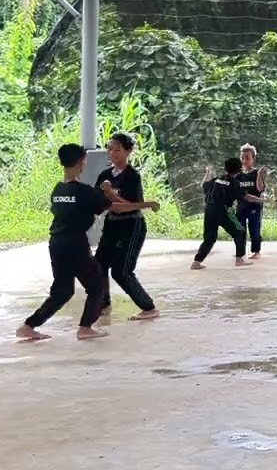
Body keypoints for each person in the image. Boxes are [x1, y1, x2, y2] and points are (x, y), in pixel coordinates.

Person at [16, 143, 159, 342]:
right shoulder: (83, 191)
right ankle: (85, 327)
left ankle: (29, 326)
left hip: (56, 243)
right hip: (75, 244)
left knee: (63, 290)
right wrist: (147, 204)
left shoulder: (58, 190)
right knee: (97, 284)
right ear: (81, 162)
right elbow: (115, 208)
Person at [93, 132, 159, 321]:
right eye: (110, 149)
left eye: (117, 150)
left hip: (132, 225)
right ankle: (103, 304)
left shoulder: (132, 176)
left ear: (128, 151)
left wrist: (109, 194)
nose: (112, 153)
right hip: (111, 224)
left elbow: (126, 207)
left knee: (121, 271)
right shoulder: (105, 175)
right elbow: (100, 203)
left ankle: (148, 308)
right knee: (99, 265)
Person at [191, 158, 252, 269]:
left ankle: (196, 262)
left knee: (210, 238)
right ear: (239, 169)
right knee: (239, 231)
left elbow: (203, 185)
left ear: (225, 168)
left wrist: (208, 173)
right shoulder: (235, 183)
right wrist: (261, 200)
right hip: (224, 210)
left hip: (209, 210)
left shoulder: (217, 179)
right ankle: (239, 259)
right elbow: (246, 196)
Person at [236, 143, 268, 260]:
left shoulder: (256, 173)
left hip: (254, 206)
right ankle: (241, 251)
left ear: (253, 159)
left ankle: (256, 251)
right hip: (241, 206)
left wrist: (259, 175)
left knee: (254, 228)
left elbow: (260, 189)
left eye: (247, 158)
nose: (244, 160)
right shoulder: (239, 175)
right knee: (240, 229)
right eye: (242, 158)